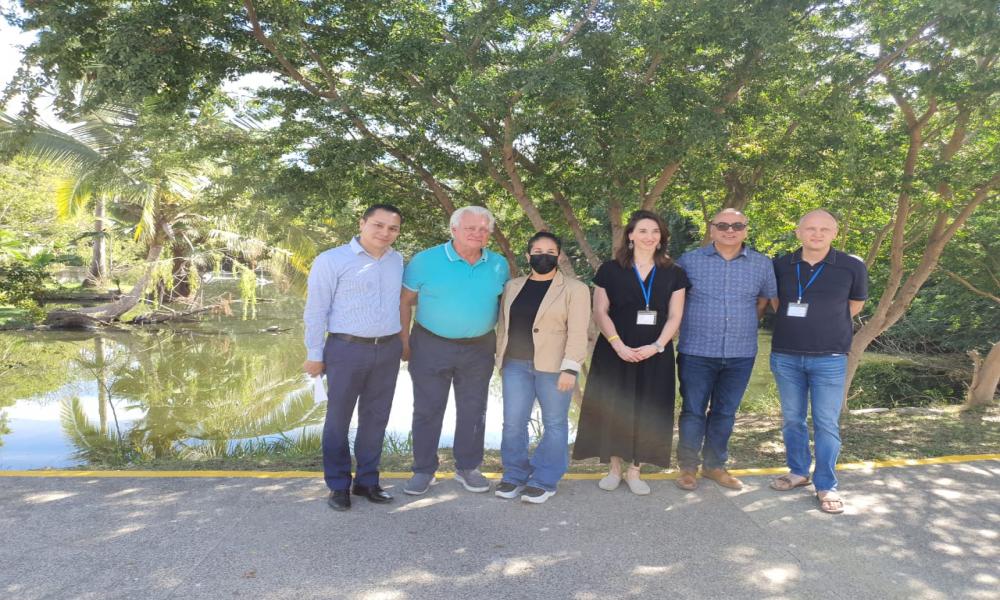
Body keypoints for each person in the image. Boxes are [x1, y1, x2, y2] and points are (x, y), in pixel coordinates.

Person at [572, 210, 688, 495]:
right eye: (643, 231)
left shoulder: (675, 273)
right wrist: (617, 344)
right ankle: (614, 468)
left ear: (662, 238)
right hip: (614, 350)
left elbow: (675, 317)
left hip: (656, 353)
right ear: (631, 235)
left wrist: (657, 346)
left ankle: (635, 470)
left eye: (656, 232)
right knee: (614, 406)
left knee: (648, 408)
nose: (650, 236)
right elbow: (600, 310)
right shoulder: (610, 270)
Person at [400, 206, 510, 495]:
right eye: (471, 228)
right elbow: (405, 301)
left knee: (475, 410)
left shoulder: (499, 264)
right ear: (453, 230)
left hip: (479, 347)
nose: (477, 233)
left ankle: (468, 467)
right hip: (431, 344)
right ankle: (423, 470)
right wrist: (404, 341)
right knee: (427, 409)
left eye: (484, 229)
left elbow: (502, 307)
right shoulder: (425, 261)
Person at [303, 204, 405, 512]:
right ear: (362, 223)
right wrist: (314, 354)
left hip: (387, 349)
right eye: (378, 225)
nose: (385, 233)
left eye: (393, 228)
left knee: (376, 418)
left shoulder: (397, 260)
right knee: (338, 420)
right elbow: (316, 310)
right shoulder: (331, 260)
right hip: (345, 350)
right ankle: (338, 486)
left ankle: (367, 481)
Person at [769, 209, 867, 515]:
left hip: (830, 356)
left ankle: (826, 485)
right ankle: (798, 472)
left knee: (826, 423)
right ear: (798, 232)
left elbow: (855, 304)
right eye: (810, 228)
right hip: (785, 354)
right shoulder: (780, 264)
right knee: (792, 419)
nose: (817, 234)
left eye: (824, 229)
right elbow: (776, 303)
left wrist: (827, 323)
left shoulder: (852, 265)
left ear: (834, 233)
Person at [674, 208, 777, 491]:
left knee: (725, 412)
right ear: (711, 229)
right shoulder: (689, 261)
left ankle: (714, 466)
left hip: (741, 352)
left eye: (736, 225)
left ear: (745, 229)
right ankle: (687, 467)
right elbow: (676, 301)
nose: (729, 230)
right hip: (696, 350)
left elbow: (763, 302)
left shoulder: (761, 264)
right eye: (722, 225)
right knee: (693, 410)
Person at [494, 232, 591, 504]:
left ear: (559, 256)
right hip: (515, 365)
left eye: (550, 251)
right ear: (528, 256)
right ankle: (514, 475)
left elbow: (578, 331)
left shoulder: (575, 289)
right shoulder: (513, 286)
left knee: (555, 424)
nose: (543, 256)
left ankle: (545, 479)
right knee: (513, 424)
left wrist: (570, 368)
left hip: (554, 367)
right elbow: (504, 325)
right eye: (537, 250)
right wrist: (499, 359)